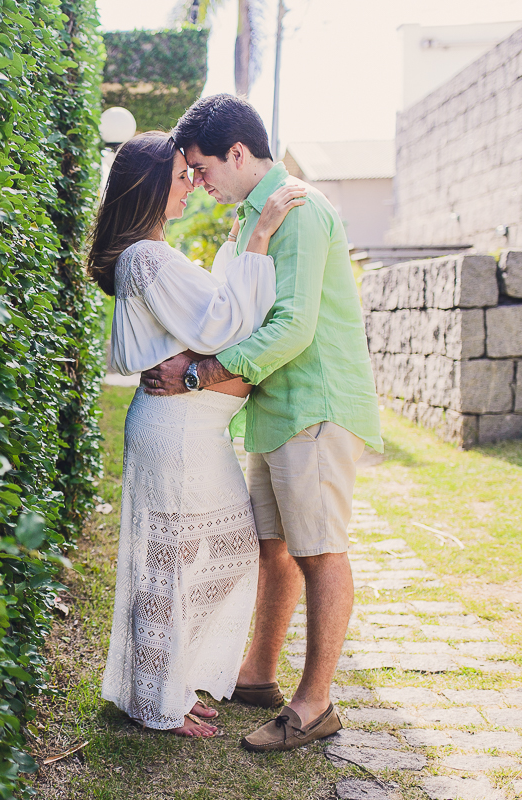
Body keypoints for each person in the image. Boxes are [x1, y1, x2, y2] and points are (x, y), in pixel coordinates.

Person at [142, 94, 383, 752]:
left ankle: (315, 705)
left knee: (319, 551)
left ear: (238, 153)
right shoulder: (254, 215)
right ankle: (256, 677)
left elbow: (292, 328)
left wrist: (199, 374)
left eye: (201, 168)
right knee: (273, 549)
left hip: (314, 404)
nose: (197, 182)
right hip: (275, 409)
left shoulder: (297, 209)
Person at [88, 131, 306, 738]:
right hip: (177, 429)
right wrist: (257, 239)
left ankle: (169, 683)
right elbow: (222, 325)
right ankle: (158, 700)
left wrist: (236, 247)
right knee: (173, 565)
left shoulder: (155, 254)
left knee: (213, 553)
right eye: (183, 175)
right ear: (152, 184)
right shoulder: (146, 257)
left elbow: (211, 312)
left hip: (191, 428)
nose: (192, 184)